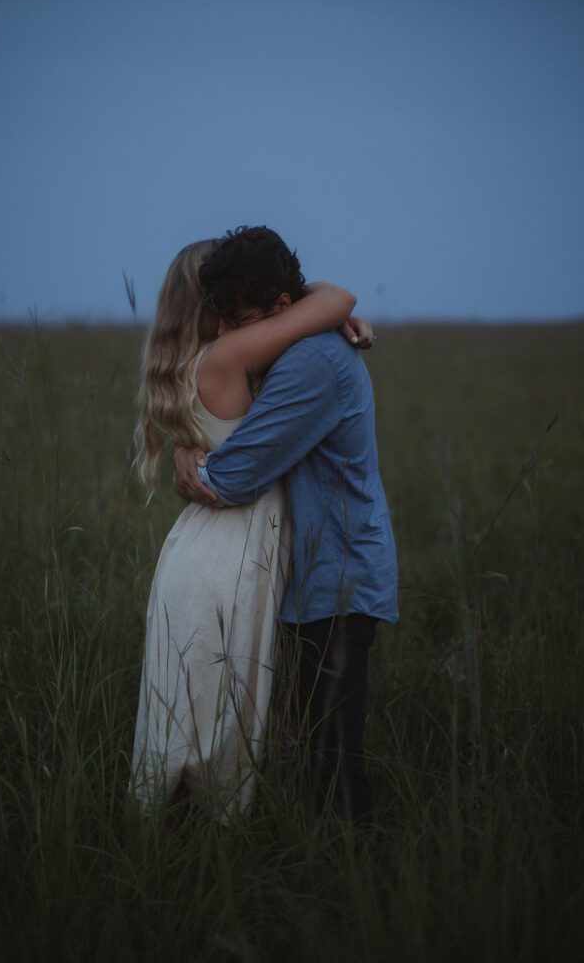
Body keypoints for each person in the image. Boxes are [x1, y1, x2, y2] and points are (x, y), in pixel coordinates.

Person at [130, 237, 360, 823]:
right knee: (221, 723)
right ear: (212, 302)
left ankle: (166, 842)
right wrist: (339, 314)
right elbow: (337, 298)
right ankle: (215, 848)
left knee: (186, 717)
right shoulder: (231, 354)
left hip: (194, 549)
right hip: (231, 555)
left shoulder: (194, 363)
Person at [174, 226, 399, 825]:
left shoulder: (312, 362)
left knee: (333, 769)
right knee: (308, 754)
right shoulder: (301, 343)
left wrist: (190, 463)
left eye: (239, 320)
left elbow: (234, 477)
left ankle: (353, 889)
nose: (226, 336)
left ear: (281, 308)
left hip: (339, 581)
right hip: (317, 577)